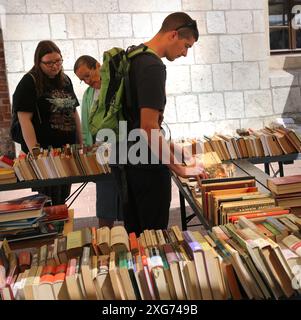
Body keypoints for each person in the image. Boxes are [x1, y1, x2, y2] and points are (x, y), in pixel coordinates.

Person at [122, 12, 208, 235]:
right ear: (173, 35)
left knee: (137, 235)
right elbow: (148, 127)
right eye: (186, 45)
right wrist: (180, 169)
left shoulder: (133, 56)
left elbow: (136, 123)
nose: (185, 53)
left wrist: (175, 150)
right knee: (154, 238)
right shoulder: (153, 67)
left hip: (127, 160)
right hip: (147, 168)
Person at [12, 40, 82, 205]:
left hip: (66, 150)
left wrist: (81, 141)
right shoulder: (29, 83)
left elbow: (74, 113)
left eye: (58, 61)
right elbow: (25, 120)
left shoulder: (65, 80)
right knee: (48, 200)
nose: (55, 66)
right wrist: (36, 153)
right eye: (49, 63)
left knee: (62, 197)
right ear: (39, 62)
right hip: (44, 152)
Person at [74, 55, 123, 228]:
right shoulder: (88, 95)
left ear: (97, 66)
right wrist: (88, 147)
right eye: (82, 79)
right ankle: (105, 241)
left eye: (87, 75)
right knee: (105, 202)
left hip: (122, 149)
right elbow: (86, 124)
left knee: (127, 199)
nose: (87, 81)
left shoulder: (115, 86)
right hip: (100, 153)